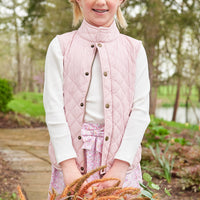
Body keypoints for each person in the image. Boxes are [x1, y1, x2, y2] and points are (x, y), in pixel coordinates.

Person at [43, 0, 150, 196]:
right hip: (73, 159)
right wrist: (68, 165)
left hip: (120, 161)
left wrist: (120, 165)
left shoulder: (134, 50)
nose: (101, 2)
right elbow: (53, 108)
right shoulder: (60, 46)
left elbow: (140, 111)